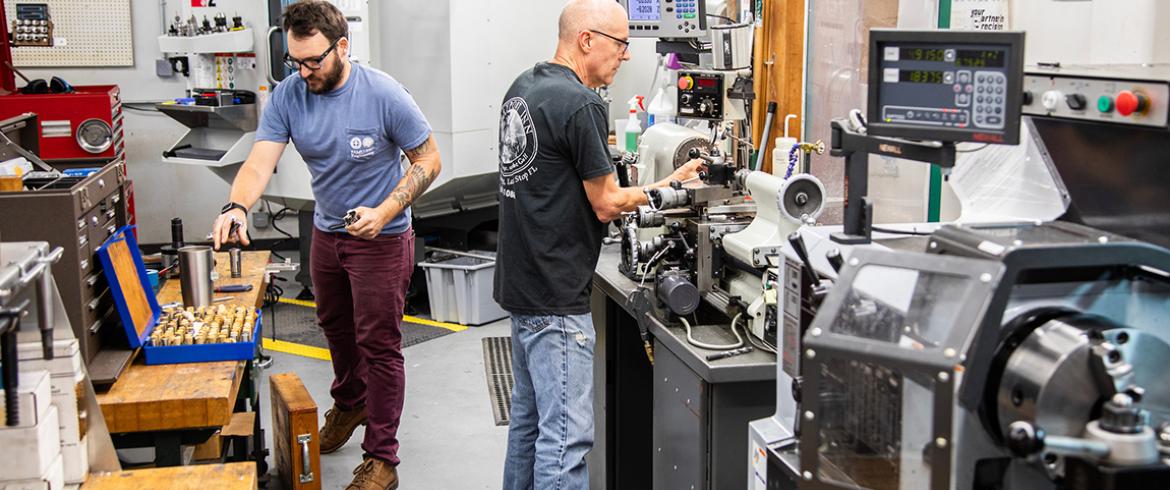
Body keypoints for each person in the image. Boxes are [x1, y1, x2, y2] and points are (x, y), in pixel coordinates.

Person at [210, 1, 440, 488]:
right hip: (327, 232)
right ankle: (351, 402)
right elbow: (259, 161)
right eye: (296, 61)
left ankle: (382, 458)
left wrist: (385, 211)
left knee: (379, 344)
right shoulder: (291, 94)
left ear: (341, 47)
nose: (304, 71)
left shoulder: (382, 94)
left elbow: (429, 160)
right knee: (334, 327)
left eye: (314, 61)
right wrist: (236, 207)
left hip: (382, 238)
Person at [495, 0, 704, 487]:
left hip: (521, 285)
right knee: (565, 440)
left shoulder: (523, 88)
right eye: (621, 44)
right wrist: (673, 185)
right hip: (556, 294)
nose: (626, 56)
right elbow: (607, 203)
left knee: (529, 428)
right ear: (587, 40)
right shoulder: (582, 104)